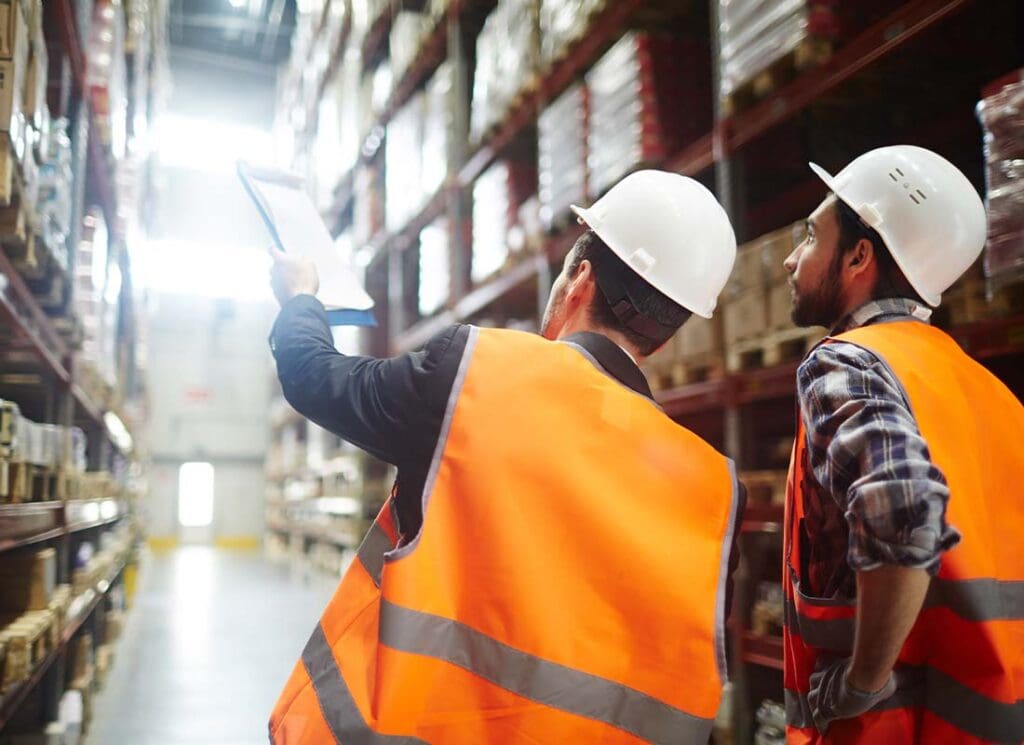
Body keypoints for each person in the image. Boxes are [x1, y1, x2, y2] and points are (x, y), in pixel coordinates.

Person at [265, 170, 743, 744]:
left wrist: (301, 299)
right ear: (665, 336)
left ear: (578, 281)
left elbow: (315, 377)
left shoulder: (474, 374)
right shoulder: (714, 490)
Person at [781, 145, 1024, 744]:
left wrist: (859, 683)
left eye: (811, 237)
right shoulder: (988, 389)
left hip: (888, 728)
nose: (790, 260)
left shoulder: (847, 364)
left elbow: (906, 513)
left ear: (859, 255)